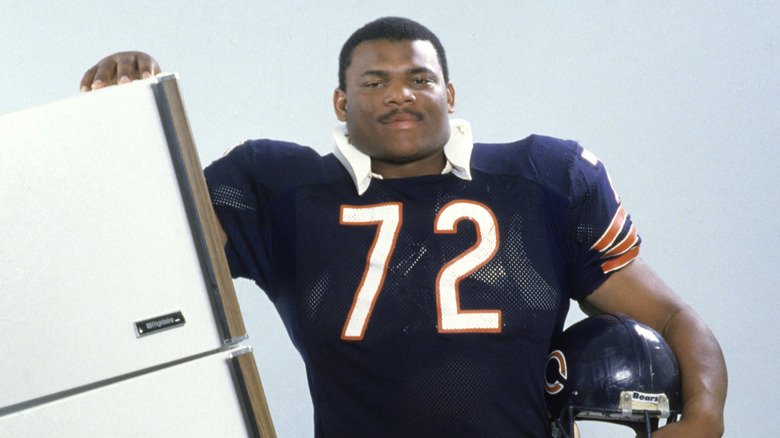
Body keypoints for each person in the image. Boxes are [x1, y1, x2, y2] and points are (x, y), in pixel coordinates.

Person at [80, 17, 726, 437]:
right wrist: (128, 124)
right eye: (375, 81)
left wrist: (704, 417)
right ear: (341, 102)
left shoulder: (543, 180)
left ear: (450, 93)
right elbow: (149, 259)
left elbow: (673, 318)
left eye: (419, 78)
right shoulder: (281, 189)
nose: (400, 95)